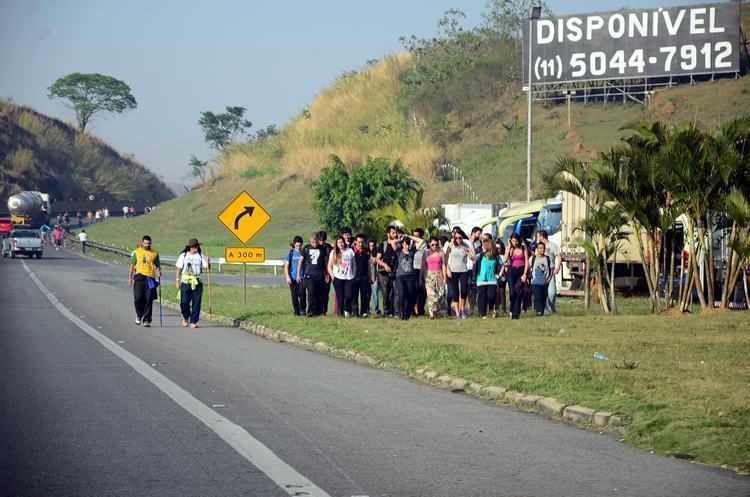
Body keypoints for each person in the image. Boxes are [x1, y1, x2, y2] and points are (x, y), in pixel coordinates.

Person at [128, 235, 162, 327]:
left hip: (150, 278)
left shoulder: (154, 253)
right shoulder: (136, 252)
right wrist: (130, 278)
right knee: (138, 298)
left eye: (149, 243)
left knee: (148, 299)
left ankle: (147, 320)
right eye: (145, 243)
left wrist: (159, 271)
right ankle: (139, 315)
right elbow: (132, 265)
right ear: (142, 242)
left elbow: (157, 264)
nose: (147, 245)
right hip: (139, 277)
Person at [175, 238, 209, 328]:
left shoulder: (200, 256)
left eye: (197, 247)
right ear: (190, 247)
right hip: (186, 282)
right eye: (194, 247)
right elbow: (178, 268)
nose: (196, 249)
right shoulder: (184, 255)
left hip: (197, 282)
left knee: (197, 302)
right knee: (184, 302)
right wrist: (177, 281)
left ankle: (193, 321)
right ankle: (185, 316)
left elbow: (207, 268)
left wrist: (208, 261)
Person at [445, 229, 475, 320]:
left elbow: (473, 258)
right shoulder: (451, 245)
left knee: (464, 291)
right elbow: (445, 257)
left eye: (460, 237)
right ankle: (458, 313)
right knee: (455, 292)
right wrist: (447, 269)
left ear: (462, 237)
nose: (458, 239)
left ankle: (463, 308)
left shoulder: (466, 245)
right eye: (456, 238)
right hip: (453, 271)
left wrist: (468, 252)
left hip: (463, 271)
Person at [298, 232, 328, 317]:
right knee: (311, 292)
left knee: (319, 294)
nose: (315, 244)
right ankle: (310, 312)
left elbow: (326, 261)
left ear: (319, 241)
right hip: (309, 275)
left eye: (316, 242)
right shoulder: (306, 248)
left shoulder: (323, 249)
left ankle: (318, 311)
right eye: (313, 242)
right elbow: (300, 261)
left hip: (320, 275)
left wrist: (327, 273)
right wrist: (298, 274)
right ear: (310, 241)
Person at [375, 225, 400, 318]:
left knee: (395, 292)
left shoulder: (398, 244)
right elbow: (377, 259)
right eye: (393, 233)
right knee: (386, 293)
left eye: (396, 233)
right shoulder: (383, 244)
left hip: (395, 273)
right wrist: (385, 265)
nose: (395, 234)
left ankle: (395, 312)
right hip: (383, 274)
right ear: (388, 234)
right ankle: (387, 311)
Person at [328, 235, 356, 317]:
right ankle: (340, 314)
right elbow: (329, 266)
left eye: (342, 242)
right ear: (336, 244)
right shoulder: (333, 252)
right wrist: (333, 276)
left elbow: (354, 264)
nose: (341, 244)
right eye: (339, 243)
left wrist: (353, 274)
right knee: (340, 297)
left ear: (344, 242)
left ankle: (347, 310)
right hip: (337, 278)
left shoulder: (350, 251)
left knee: (348, 295)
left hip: (349, 277)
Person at [475, 237, 503, 318]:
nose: (482, 246)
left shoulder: (495, 256)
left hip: (492, 280)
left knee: (492, 296)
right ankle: (483, 314)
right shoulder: (480, 255)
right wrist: (470, 253)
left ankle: (491, 309)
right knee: (483, 297)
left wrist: (499, 275)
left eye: (484, 245)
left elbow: (502, 264)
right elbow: (473, 258)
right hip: (481, 279)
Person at [503, 233, 528, 320]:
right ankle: (512, 308)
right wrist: (509, 248)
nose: (515, 243)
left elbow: (527, 262)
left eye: (516, 241)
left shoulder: (523, 247)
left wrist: (525, 274)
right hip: (511, 270)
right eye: (513, 241)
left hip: (521, 270)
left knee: (519, 292)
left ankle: (515, 313)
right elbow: (505, 260)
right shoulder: (509, 248)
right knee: (512, 292)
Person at [536, 230, 561, 315]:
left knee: (552, 292)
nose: (537, 238)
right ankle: (546, 310)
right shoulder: (539, 247)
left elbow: (559, 256)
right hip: (541, 273)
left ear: (542, 237)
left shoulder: (553, 246)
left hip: (551, 271)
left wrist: (558, 266)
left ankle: (552, 308)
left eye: (537, 236)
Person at [423, 236, 447, 319]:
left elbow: (444, 265)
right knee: (431, 294)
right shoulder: (426, 253)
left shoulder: (441, 253)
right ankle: (431, 314)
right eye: (432, 244)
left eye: (436, 244)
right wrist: (420, 277)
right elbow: (423, 266)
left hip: (439, 275)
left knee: (439, 294)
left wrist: (444, 278)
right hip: (429, 276)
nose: (434, 246)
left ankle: (437, 311)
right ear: (429, 244)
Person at [395, 235, 419, 320]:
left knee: (410, 297)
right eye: (405, 244)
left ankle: (407, 314)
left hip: (410, 277)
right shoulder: (398, 251)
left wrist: (410, 236)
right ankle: (401, 311)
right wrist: (400, 239)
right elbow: (393, 242)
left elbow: (421, 242)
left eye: (408, 244)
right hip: (400, 277)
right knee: (402, 294)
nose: (407, 246)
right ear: (402, 244)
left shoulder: (412, 252)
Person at [284, 236, 306, 316]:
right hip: (292, 278)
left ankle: (302, 310)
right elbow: (286, 266)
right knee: (294, 296)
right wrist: (287, 277)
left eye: (300, 245)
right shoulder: (290, 254)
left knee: (302, 294)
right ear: (294, 245)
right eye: (297, 245)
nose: (299, 247)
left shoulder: (304, 253)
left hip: (302, 278)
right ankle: (296, 312)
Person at [529, 242, 552, 316]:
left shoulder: (547, 258)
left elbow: (552, 269)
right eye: (541, 248)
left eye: (543, 248)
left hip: (544, 283)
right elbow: (527, 267)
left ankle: (540, 311)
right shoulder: (532, 258)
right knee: (538, 297)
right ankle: (539, 311)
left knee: (543, 298)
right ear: (537, 249)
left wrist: (549, 279)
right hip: (535, 283)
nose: (542, 250)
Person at [352, 234, 371, 317]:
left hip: (364, 277)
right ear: (355, 241)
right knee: (354, 295)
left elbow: (368, 264)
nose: (360, 244)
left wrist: (370, 276)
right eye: (359, 242)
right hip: (354, 276)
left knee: (364, 295)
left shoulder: (366, 251)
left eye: (362, 242)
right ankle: (355, 312)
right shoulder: (351, 251)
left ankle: (364, 312)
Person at [411, 228, 428, 316]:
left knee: (422, 291)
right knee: (415, 290)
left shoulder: (424, 243)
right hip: (414, 269)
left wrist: (408, 236)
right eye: (414, 235)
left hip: (423, 269)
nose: (414, 237)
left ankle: (421, 309)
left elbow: (420, 240)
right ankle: (413, 309)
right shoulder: (412, 244)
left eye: (416, 236)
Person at [318, 231, 332, 315]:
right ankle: (318, 310)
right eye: (320, 240)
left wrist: (328, 273)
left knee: (326, 293)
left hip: (327, 272)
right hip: (318, 272)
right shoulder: (315, 247)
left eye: (323, 240)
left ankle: (324, 310)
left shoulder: (329, 248)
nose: (321, 242)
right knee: (318, 292)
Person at [494, 239, 508, 316]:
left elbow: (505, 265)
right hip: (494, 275)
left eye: (499, 248)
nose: (498, 250)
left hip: (502, 276)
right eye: (496, 248)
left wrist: (500, 274)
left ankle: (503, 310)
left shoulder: (503, 256)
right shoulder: (493, 256)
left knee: (502, 293)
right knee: (496, 293)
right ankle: (496, 309)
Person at [368, 239, 381, 315]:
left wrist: (377, 276)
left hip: (374, 277)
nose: (371, 247)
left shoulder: (376, 255)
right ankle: (367, 309)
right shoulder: (366, 254)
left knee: (375, 294)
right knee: (367, 294)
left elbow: (378, 266)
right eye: (370, 246)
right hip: (367, 277)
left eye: (373, 246)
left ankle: (377, 309)